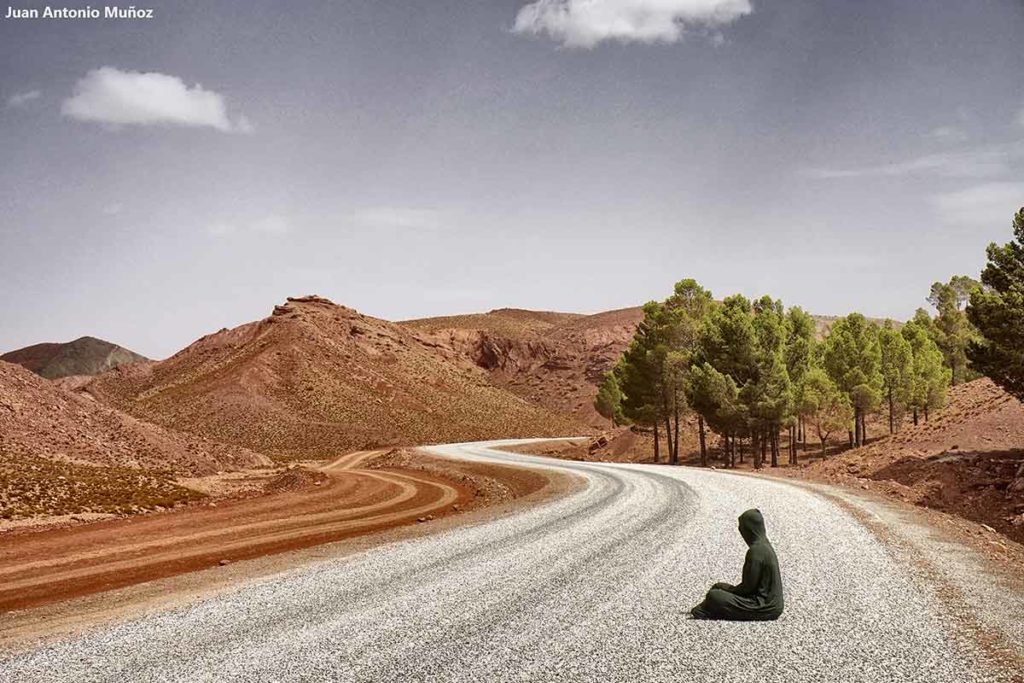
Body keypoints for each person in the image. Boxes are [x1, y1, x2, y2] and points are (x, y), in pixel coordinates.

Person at [690, 508, 784, 621]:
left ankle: (708, 610)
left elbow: (747, 588)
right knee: (718, 587)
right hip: (772, 606)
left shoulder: (756, 551)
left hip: (762, 607)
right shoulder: (765, 546)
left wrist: (726, 591)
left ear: (749, 529)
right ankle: (709, 607)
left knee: (714, 595)